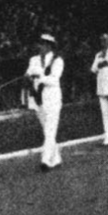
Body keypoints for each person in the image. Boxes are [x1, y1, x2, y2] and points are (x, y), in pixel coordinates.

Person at [25, 34, 64, 171]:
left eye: (43, 44)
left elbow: (54, 79)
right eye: (39, 44)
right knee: (46, 130)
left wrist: (39, 76)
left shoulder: (57, 60)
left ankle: (46, 161)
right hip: (38, 98)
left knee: (50, 130)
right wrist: (33, 76)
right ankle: (57, 158)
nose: (40, 47)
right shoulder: (33, 59)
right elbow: (28, 73)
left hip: (52, 98)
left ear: (49, 46)